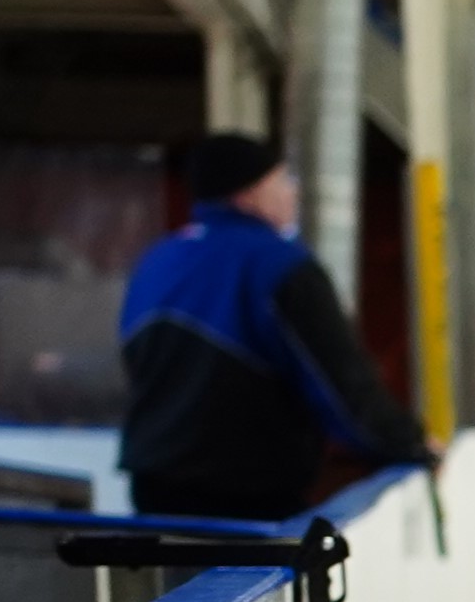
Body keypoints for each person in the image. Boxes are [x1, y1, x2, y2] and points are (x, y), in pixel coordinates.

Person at [117, 132, 428, 521]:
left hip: (152, 488)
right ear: (248, 194)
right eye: (281, 181)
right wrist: (408, 444)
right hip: (245, 498)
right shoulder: (280, 265)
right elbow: (341, 385)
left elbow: (134, 363)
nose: (291, 194)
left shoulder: (157, 260)